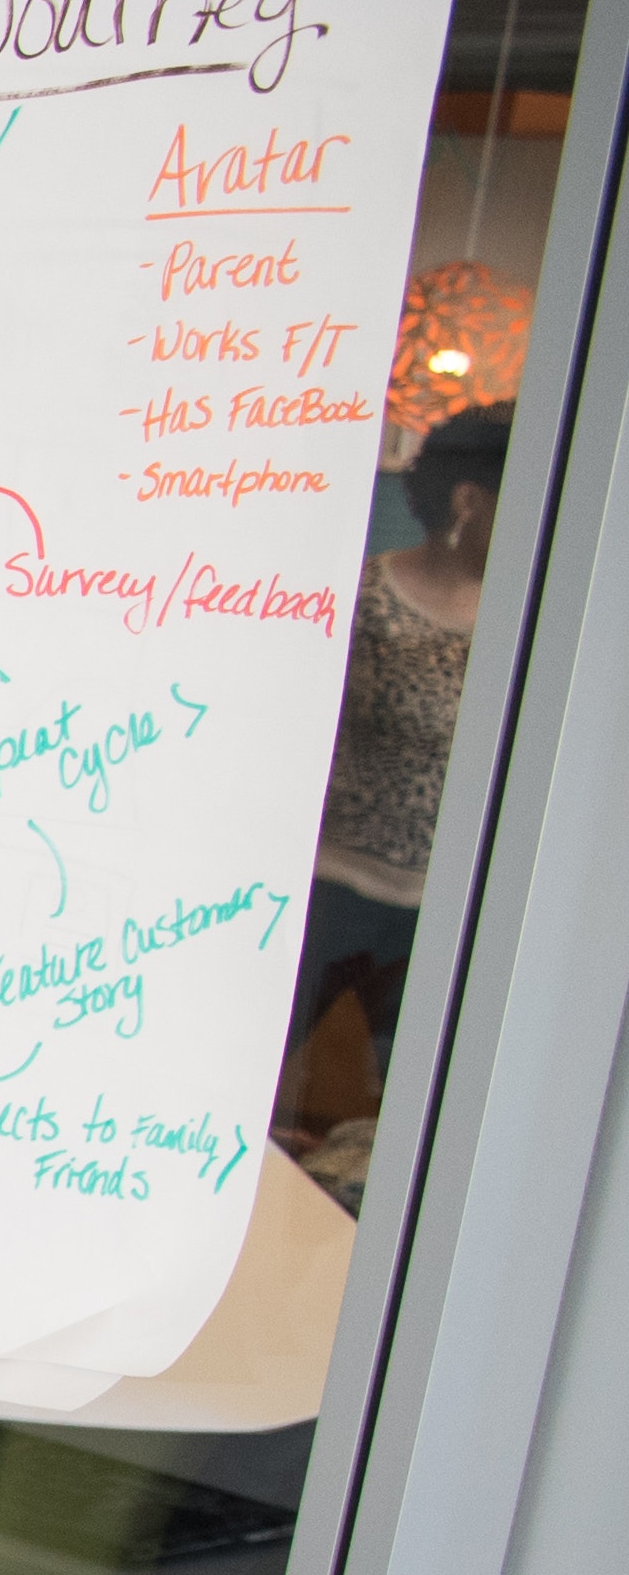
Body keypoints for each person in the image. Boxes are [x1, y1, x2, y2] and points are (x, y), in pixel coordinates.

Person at [290, 402, 500, 1162]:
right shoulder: (365, 597)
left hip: (444, 905)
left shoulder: (520, 617)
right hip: (333, 888)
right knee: (275, 1068)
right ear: (467, 500)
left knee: (415, 1107)